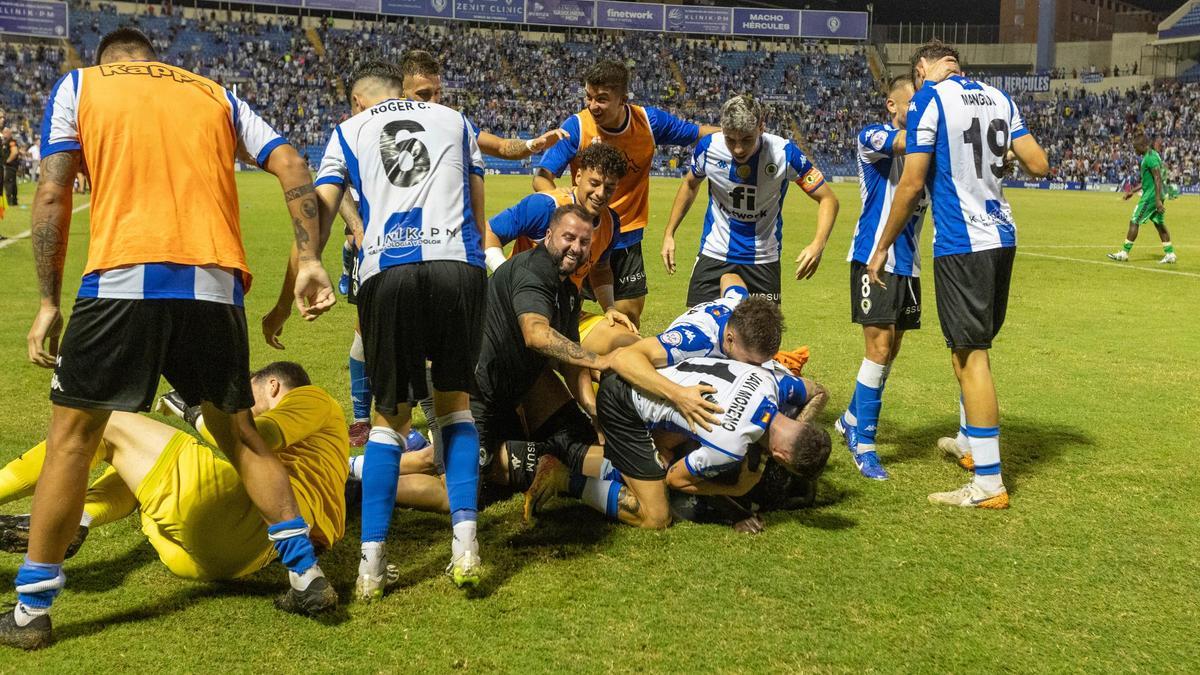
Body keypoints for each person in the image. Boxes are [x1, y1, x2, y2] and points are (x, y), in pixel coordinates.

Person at [6, 28, 338, 650]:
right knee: (240, 434)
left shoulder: (81, 85)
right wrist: (308, 257)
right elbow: (293, 163)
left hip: (124, 278)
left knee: (73, 442)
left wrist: (50, 301)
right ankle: (305, 574)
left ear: (109, 61)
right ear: (153, 59)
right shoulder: (215, 92)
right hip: (214, 286)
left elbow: (52, 191)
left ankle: (30, 609)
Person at [285, 61, 487, 599]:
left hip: (386, 271)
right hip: (457, 266)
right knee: (454, 405)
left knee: (388, 419)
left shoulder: (347, 132)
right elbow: (476, 205)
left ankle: (371, 568)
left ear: (361, 101)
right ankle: (466, 546)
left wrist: (308, 267)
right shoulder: (456, 120)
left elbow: (318, 211)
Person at [339, 53, 569, 447]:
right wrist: (357, 227)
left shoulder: (448, 122)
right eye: (423, 94)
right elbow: (335, 181)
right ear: (401, 93)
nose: (433, 101)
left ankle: (430, 424)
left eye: (438, 93)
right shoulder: (366, 126)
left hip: (440, 244)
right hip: (383, 243)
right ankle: (365, 419)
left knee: (438, 340)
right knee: (368, 332)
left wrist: (534, 143)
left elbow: (498, 146)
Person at [865, 40, 1049, 509]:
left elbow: (910, 182)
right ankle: (970, 442)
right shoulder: (999, 97)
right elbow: (1038, 164)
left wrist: (882, 245)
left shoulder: (930, 98)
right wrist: (998, 161)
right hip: (1002, 237)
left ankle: (988, 483)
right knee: (966, 351)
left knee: (972, 358)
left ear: (923, 68)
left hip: (962, 242)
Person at [0, 362, 348, 590]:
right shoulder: (329, 461)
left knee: (108, 420)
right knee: (135, 465)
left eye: (247, 394)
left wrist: (195, 412)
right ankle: (83, 515)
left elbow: (259, 437)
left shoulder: (314, 398)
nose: (240, 405)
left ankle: (52, 512)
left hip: (250, 515)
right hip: (233, 562)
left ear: (272, 386)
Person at [528, 356, 828, 530]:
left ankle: (571, 459)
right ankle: (565, 480)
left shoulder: (770, 380)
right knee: (656, 514)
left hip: (644, 378)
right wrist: (736, 494)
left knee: (675, 445)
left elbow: (817, 391)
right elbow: (676, 479)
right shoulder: (732, 441)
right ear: (779, 453)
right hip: (624, 406)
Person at [534, 60, 719, 328]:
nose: (592, 105)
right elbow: (542, 177)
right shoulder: (577, 127)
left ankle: (614, 368)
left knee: (628, 320)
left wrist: (746, 135)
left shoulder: (648, 121)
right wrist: (567, 216)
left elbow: (697, 133)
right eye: (588, 97)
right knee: (564, 317)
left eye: (601, 99)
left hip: (627, 236)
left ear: (623, 99)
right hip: (585, 237)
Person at [660, 94, 839, 306]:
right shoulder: (708, 148)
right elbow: (690, 184)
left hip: (763, 260)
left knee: (764, 337)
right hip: (714, 253)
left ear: (761, 128)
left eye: (746, 139)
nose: (738, 149)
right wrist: (669, 233)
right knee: (700, 334)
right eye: (730, 139)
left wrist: (818, 244)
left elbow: (828, 199)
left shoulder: (784, 153)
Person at [835, 75, 928, 481]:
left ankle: (851, 418)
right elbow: (909, 142)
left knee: (892, 349)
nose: (923, 114)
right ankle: (865, 445)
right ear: (893, 106)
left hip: (909, 262)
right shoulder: (874, 137)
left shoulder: (926, 153)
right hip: (874, 255)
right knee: (879, 346)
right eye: (915, 106)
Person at [484, 142, 638, 353]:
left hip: (566, 313)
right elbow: (489, 232)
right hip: (520, 312)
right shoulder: (546, 206)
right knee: (590, 362)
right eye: (594, 183)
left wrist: (610, 307)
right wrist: (505, 277)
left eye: (609, 188)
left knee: (630, 347)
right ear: (578, 177)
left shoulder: (611, 223)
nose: (601, 193)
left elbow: (601, 268)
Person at [1107, 134, 1176, 264]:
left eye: (1136, 148)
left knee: (1134, 220)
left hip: (1151, 197)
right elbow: (1147, 180)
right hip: (1155, 194)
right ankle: (1170, 253)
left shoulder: (1149, 158)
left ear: (1143, 146)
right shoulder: (1153, 155)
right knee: (1159, 223)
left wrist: (1157, 200)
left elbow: (1157, 178)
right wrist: (1132, 191)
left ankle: (1124, 253)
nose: (1135, 151)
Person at [2, 129, 18, 207]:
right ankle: (14, 201)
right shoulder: (5, 142)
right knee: (12, 183)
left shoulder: (11, 141)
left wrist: (7, 161)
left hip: (10, 166)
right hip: (10, 166)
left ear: (9, 133)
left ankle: (10, 201)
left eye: (5, 132)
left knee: (9, 183)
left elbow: (14, 152)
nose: (4, 134)